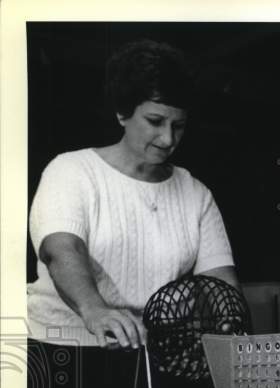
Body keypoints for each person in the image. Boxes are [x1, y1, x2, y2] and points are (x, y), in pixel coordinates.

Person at [28, 39, 239, 350]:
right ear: (122, 114)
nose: (168, 138)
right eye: (155, 121)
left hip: (148, 353)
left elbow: (220, 285)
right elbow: (62, 249)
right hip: (58, 347)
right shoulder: (71, 170)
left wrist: (229, 322)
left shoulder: (196, 194)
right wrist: (95, 310)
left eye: (178, 126)